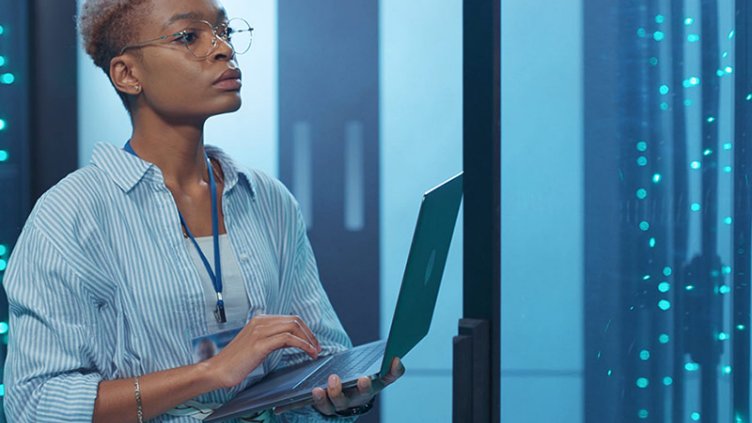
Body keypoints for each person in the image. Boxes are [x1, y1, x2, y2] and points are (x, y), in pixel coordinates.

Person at [2, 0, 403, 421]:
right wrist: (211, 373)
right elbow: (37, 405)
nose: (222, 49)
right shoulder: (71, 216)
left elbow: (316, 351)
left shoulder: (266, 198)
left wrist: (337, 396)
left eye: (224, 32)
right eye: (189, 37)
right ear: (128, 74)